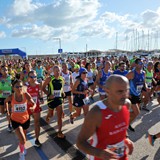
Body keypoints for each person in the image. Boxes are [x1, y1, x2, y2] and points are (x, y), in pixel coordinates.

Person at [76, 75, 134, 160]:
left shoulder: (126, 104)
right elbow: (80, 142)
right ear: (107, 91)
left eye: (127, 90)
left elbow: (121, 125)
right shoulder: (96, 113)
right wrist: (99, 153)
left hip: (121, 156)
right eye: (120, 91)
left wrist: (126, 139)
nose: (125, 95)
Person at [4, 79, 36, 160]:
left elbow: (34, 103)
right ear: (13, 88)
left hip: (25, 119)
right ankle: (21, 154)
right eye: (17, 86)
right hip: (15, 120)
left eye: (20, 86)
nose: (19, 88)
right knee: (23, 139)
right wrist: (7, 112)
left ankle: (22, 147)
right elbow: (5, 101)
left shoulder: (26, 95)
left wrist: (33, 107)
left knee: (23, 138)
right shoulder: (11, 96)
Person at [42, 65, 65, 139]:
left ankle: (59, 132)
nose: (57, 72)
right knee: (51, 115)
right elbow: (42, 88)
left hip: (59, 99)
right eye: (56, 71)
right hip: (51, 100)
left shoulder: (62, 79)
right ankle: (48, 117)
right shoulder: (49, 79)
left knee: (59, 116)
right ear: (53, 71)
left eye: (58, 71)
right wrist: (49, 94)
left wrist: (63, 93)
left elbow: (61, 89)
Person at [126, 58, 147, 132]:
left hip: (138, 95)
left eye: (142, 64)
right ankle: (125, 124)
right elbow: (124, 81)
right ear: (136, 64)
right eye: (140, 64)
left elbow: (143, 82)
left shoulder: (143, 73)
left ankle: (126, 122)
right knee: (137, 112)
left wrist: (145, 87)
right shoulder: (132, 73)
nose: (142, 65)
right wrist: (127, 92)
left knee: (135, 113)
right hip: (132, 95)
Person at [27, 71, 44, 147]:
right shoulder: (25, 86)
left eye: (35, 77)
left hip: (36, 106)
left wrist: (41, 98)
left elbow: (39, 94)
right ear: (28, 78)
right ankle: (22, 140)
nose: (34, 79)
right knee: (26, 125)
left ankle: (37, 140)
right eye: (32, 77)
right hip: (27, 108)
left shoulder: (38, 85)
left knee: (37, 123)